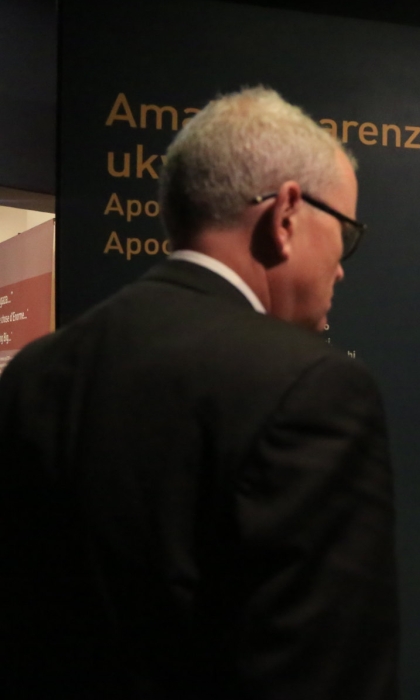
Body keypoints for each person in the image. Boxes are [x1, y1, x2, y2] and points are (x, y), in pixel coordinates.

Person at [0, 87, 398, 699]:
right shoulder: (311, 387)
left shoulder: (35, 373)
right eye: (345, 230)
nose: (342, 264)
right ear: (286, 215)